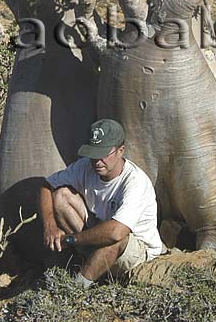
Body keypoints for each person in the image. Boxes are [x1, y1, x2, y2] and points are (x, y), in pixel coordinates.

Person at [37, 118, 164, 288]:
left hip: (137, 251)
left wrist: (71, 240)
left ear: (121, 150)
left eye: (104, 154)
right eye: (93, 154)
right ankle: (90, 261)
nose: (97, 161)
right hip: (97, 235)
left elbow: (116, 232)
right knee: (61, 195)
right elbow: (47, 185)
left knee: (116, 238)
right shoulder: (85, 167)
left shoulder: (135, 182)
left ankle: (78, 287)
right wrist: (50, 226)